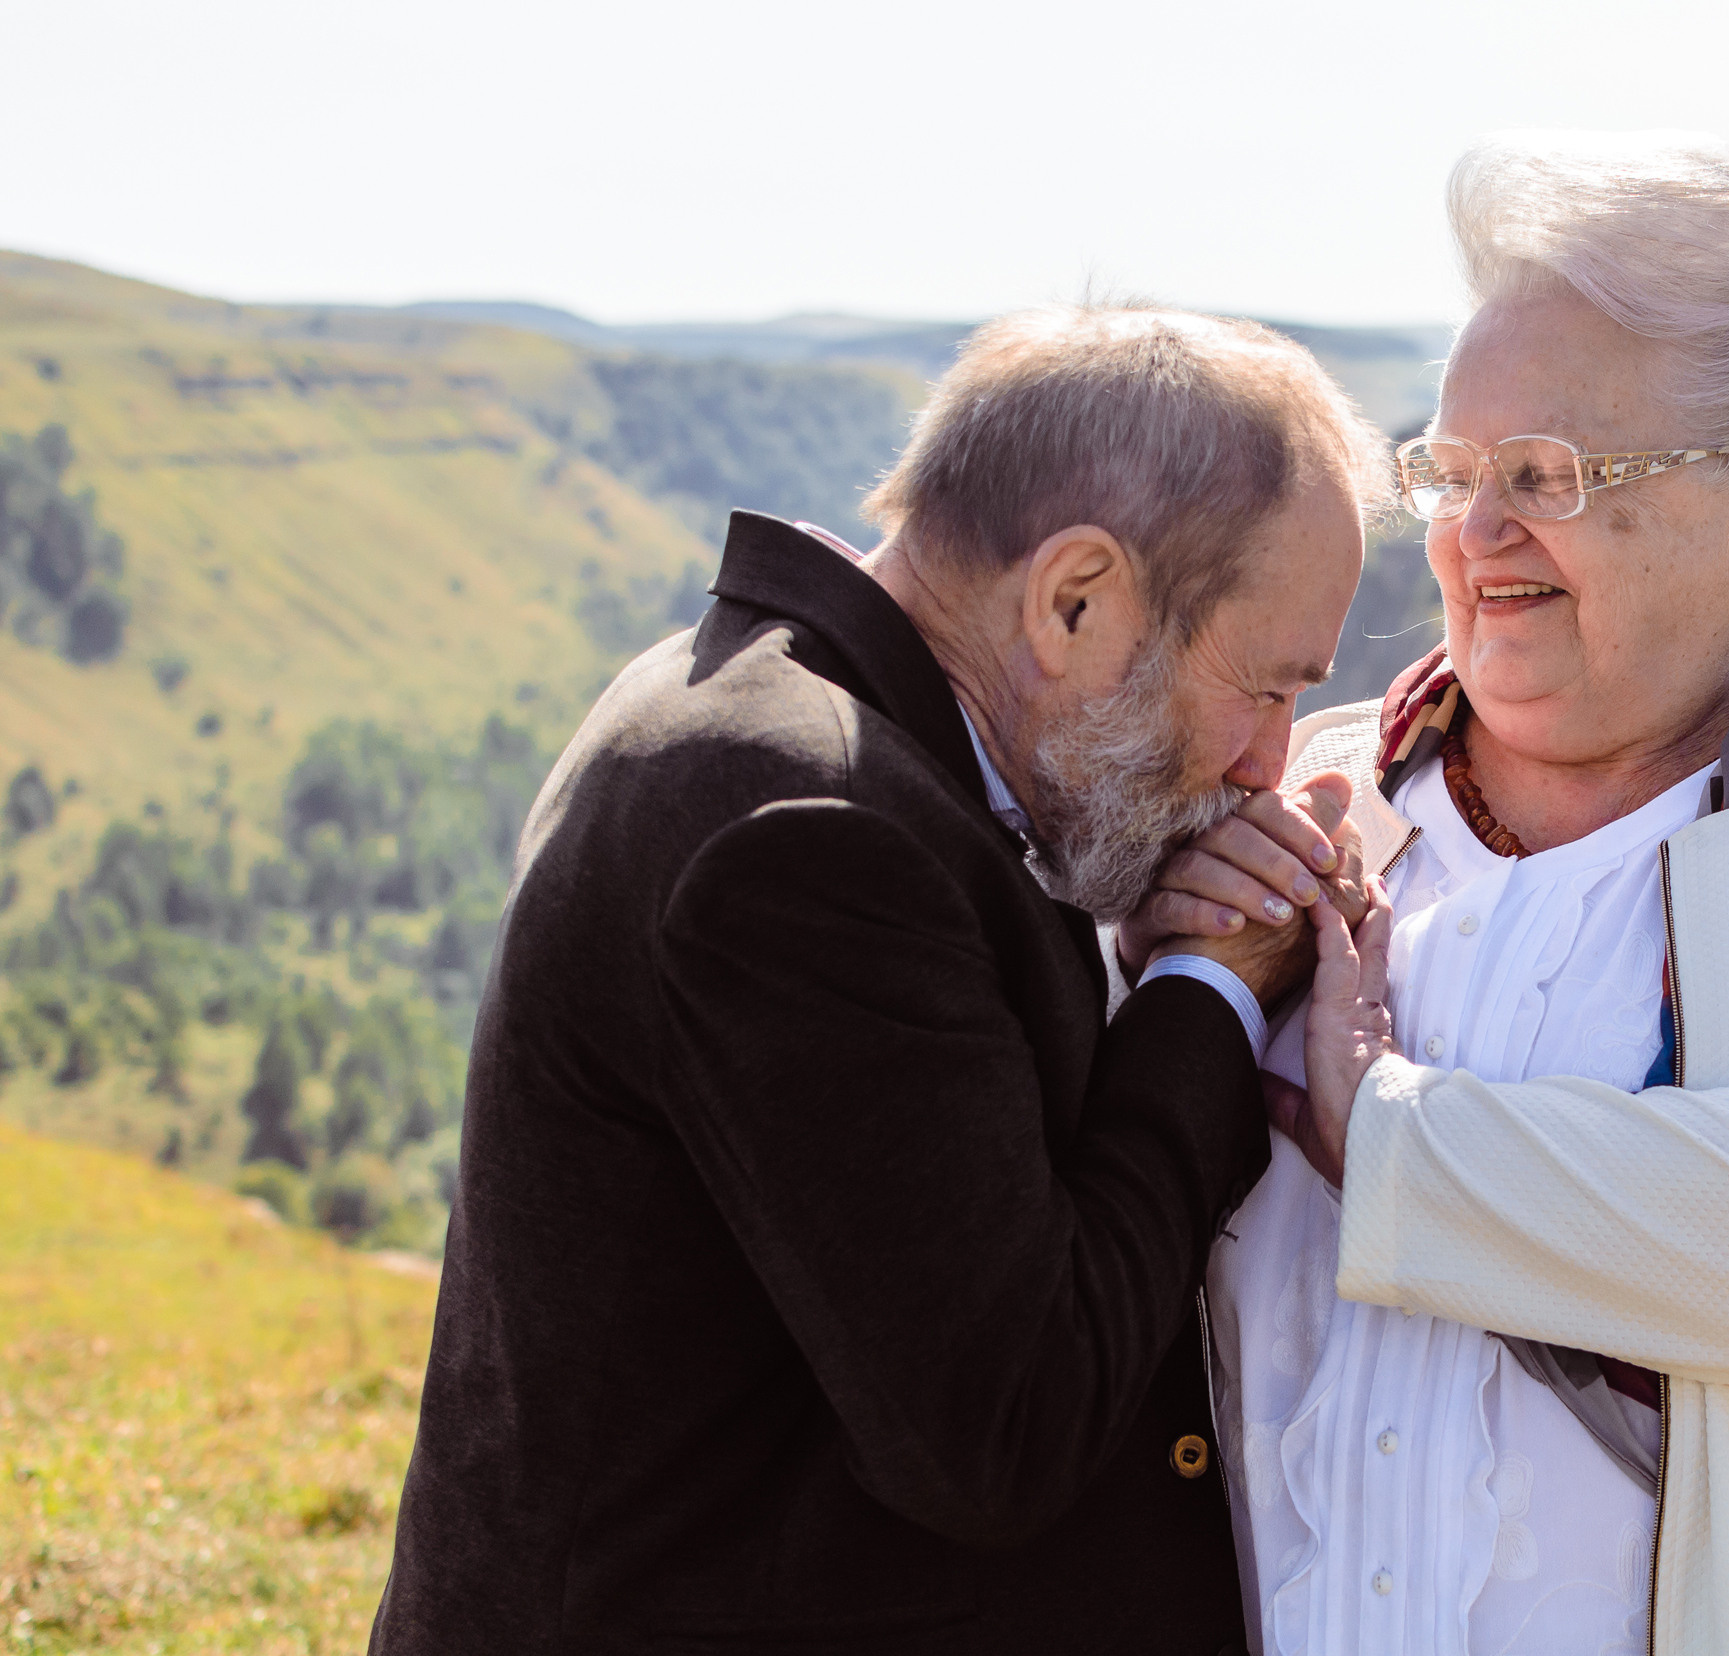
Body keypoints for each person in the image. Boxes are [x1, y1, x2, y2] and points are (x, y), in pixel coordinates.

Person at [1136, 133, 1729, 1654]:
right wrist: (1157, 970)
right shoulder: (1283, 803)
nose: (1476, 533)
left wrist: (1390, 1143)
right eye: (1453, 475)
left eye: (1550, 476)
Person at [370, 303, 1394, 1655]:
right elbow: (1002, 1423)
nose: (1269, 762)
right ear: (1073, 598)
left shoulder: (791, 740)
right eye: (1265, 688)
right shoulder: (810, 832)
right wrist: (1205, 991)